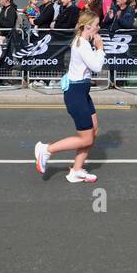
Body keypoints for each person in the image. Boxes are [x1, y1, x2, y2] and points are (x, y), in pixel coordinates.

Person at [33, 10, 104, 184]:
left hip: (81, 91)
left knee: (93, 130)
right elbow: (96, 67)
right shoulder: (82, 43)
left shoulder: (82, 41)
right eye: (96, 25)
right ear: (87, 26)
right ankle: (47, 149)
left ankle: (77, 170)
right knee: (86, 137)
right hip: (76, 93)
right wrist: (100, 47)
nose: (99, 28)